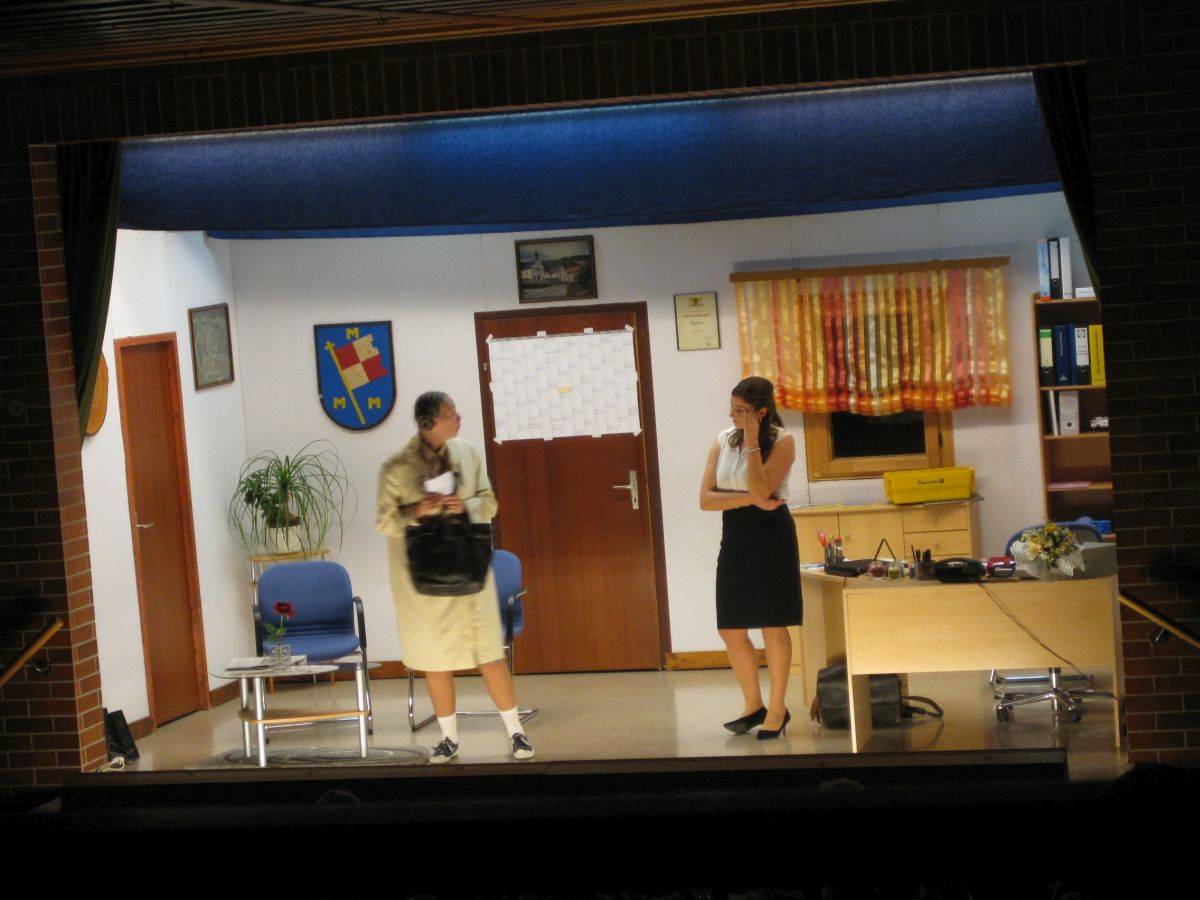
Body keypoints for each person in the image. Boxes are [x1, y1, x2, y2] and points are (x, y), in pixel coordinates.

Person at [376, 391, 534, 764]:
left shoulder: (467, 453)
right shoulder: (397, 467)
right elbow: (385, 521)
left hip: (468, 568)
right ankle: (448, 739)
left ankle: (516, 732)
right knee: (436, 660)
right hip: (422, 578)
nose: (458, 418)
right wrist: (418, 509)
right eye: (450, 414)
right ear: (430, 422)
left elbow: (489, 502)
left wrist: (466, 505)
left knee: (489, 654)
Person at [698, 375, 801, 739]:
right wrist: (747, 499)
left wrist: (754, 442)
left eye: (741, 410)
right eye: (732, 408)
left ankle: (777, 709)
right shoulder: (723, 440)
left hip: (771, 534)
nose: (733, 415)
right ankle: (752, 704)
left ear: (761, 412)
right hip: (736, 533)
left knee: (772, 623)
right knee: (730, 626)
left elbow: (762, 487)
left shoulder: (783, 441)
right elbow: (706, 499)